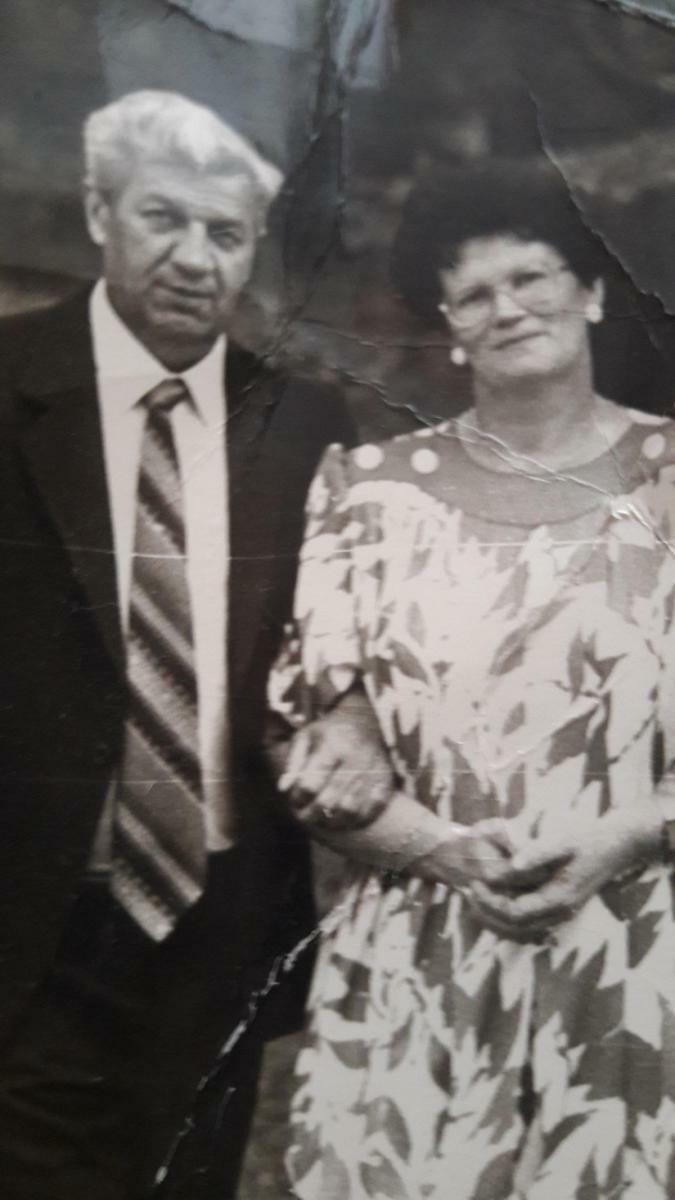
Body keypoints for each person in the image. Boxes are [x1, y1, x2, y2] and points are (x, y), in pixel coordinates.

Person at [268, 163, 675, 1198]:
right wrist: (443, 851)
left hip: (631, 952)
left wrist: (621, 837)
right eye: (475, 294)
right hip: (421, 948)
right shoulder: (368, 492)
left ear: (591, 293)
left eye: (531, 278)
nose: (508, 308)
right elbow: (306, 749)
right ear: (450, 329)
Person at [0, 88, 370, 1200]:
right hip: (31, 915)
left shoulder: (300, 424)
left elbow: (340, 633)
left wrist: (350, 708)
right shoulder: (11, 381)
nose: (194, 259)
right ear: (98, 213)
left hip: (217, 922)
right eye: (162, 218)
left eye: (225, 233)